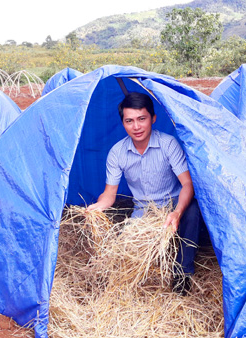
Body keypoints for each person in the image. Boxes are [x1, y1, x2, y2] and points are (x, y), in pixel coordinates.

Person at [87, 92, 204, 295]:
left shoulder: (168, 144)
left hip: (173, 207)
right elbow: (109, 195)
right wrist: (97, 208)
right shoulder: (117, 152)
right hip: (143, 214)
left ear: (153, 119)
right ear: (123, 123)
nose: (136, 127)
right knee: (125, 257)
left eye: (142, 119)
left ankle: (181, 274)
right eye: (129, 121)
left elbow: (188, 185)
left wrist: (176, 213)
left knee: (193, 210)